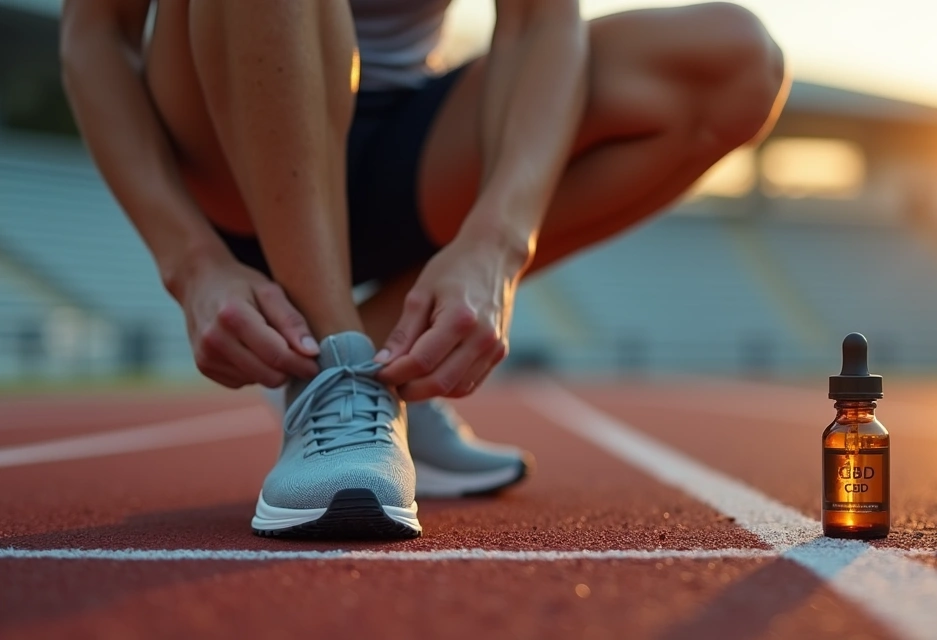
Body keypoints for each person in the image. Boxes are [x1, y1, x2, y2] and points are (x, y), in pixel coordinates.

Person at [60, 0, 788, 539]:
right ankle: (336, 365)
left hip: (410, 148)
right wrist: (192, 265)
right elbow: (97, 33)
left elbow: (538, 21)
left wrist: (498, 242)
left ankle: (379, 368)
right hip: (230, 147)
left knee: (733, 61)